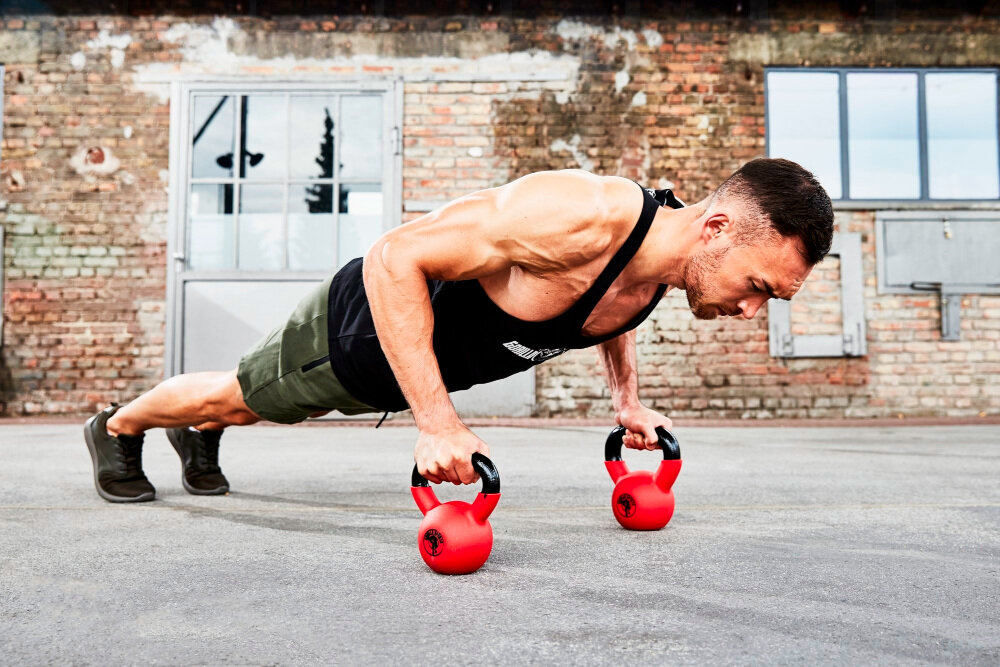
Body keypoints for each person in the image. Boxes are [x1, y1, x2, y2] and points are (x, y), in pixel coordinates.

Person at [84, 158, 833, 503]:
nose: (748, 310)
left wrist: (626, 401)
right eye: (758, 286)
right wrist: (437, 422)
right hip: (364, 328)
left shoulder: (664, 269)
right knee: (242, 394)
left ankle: (203, 431)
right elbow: (395, 254)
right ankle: (118, 425)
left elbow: (612, 310)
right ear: (717, 228)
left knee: (253, 404)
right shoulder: (580, 213)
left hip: (413, 366)